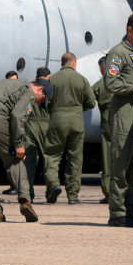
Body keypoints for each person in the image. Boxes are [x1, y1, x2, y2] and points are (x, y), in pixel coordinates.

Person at [0, 76, 52, 222]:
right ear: (40, 88)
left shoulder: (11, 83)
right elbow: (18, 116)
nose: (39, 103)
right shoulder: (30, 94)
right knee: (14, 157)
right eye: (42, 99)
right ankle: (25, 200)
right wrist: (18, 145)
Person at [103, 13, 133, 227]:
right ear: (129, 30)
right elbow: (111, 84)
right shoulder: (118, 54)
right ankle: (117, 212)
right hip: (124, 115)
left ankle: (131, 209)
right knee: (121, 165)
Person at [44, 53, 96, 204]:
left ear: (62, 63)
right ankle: (73, 195)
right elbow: (91, 102)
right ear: (74, 63)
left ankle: (53, 184)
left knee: (52, 155)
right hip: (76, 121)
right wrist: (78, 108)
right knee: (75, 158)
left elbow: (45, 101)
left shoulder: (52, 79)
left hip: (57, 120)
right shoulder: (82, 79)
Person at [21, 66, 52, 202]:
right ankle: (52, 189)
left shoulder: (30, 88)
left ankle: (28, 193)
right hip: (46, 126)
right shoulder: (49, 88)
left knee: (29, 161)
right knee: (49, 160)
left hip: (30, 125)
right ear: (48, 76)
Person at [93, 56, 112, 204]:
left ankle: (108, 192)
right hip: (123, 118)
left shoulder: (100, 84)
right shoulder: (121, 80)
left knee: (107, 155)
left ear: (101, 68)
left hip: (107, 119)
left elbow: (88, 98)